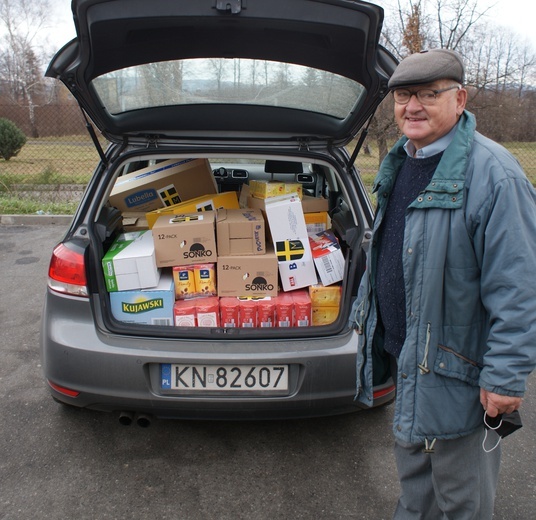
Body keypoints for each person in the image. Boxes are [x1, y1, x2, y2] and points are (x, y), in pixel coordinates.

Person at [351, 49, 536, 519]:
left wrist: (506, 376)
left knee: (462, 499)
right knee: (416, 487)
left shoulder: (494, 176)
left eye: (428, 94)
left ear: (460, 99)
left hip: (461, 373)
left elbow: (518, 287)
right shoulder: (400, 163)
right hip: (411, 358)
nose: (412, 106)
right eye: (403, 95)